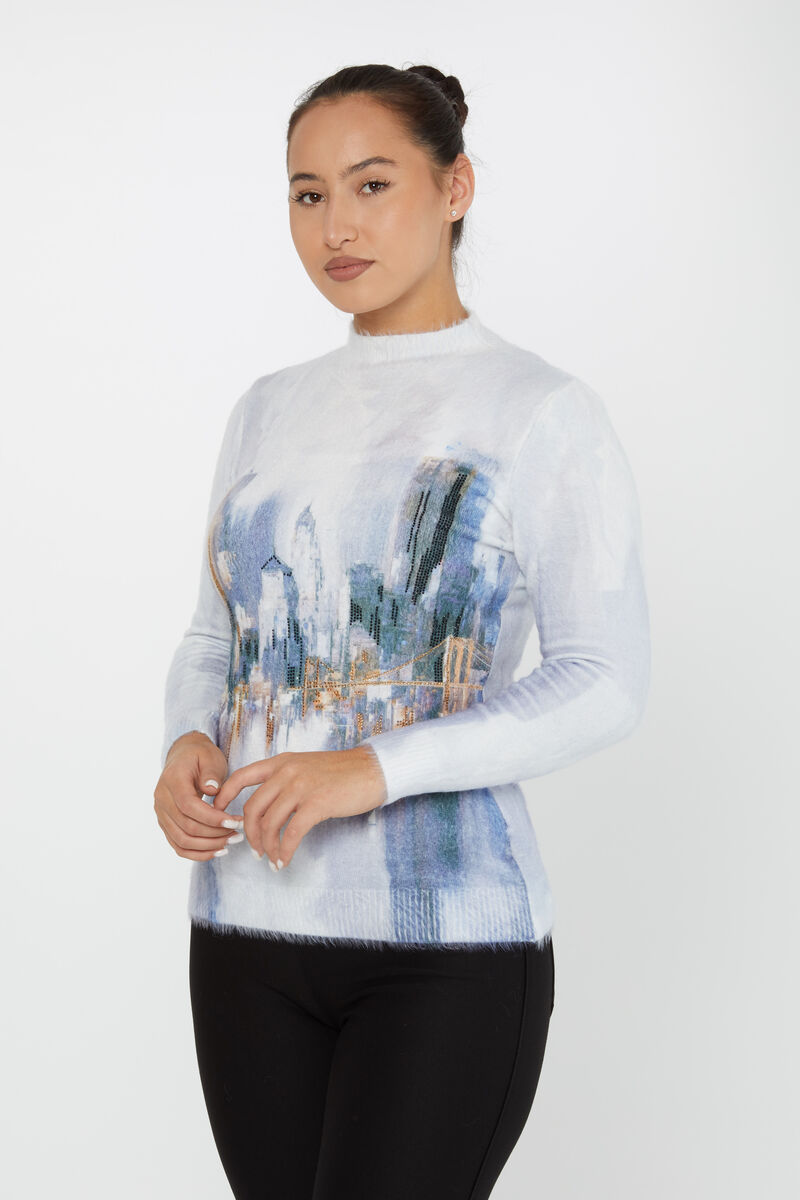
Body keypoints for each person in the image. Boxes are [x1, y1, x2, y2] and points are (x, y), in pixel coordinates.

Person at [153, 62, 650, 1200]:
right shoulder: (265, 409)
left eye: (371, 184)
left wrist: (370, 770)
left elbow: (604, 678)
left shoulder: (539, 411)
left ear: (454, 187)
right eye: (308, 194)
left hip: (449, 948)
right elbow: (213, 639)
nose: (336, 225)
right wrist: (187, 741)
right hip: (244, 932)